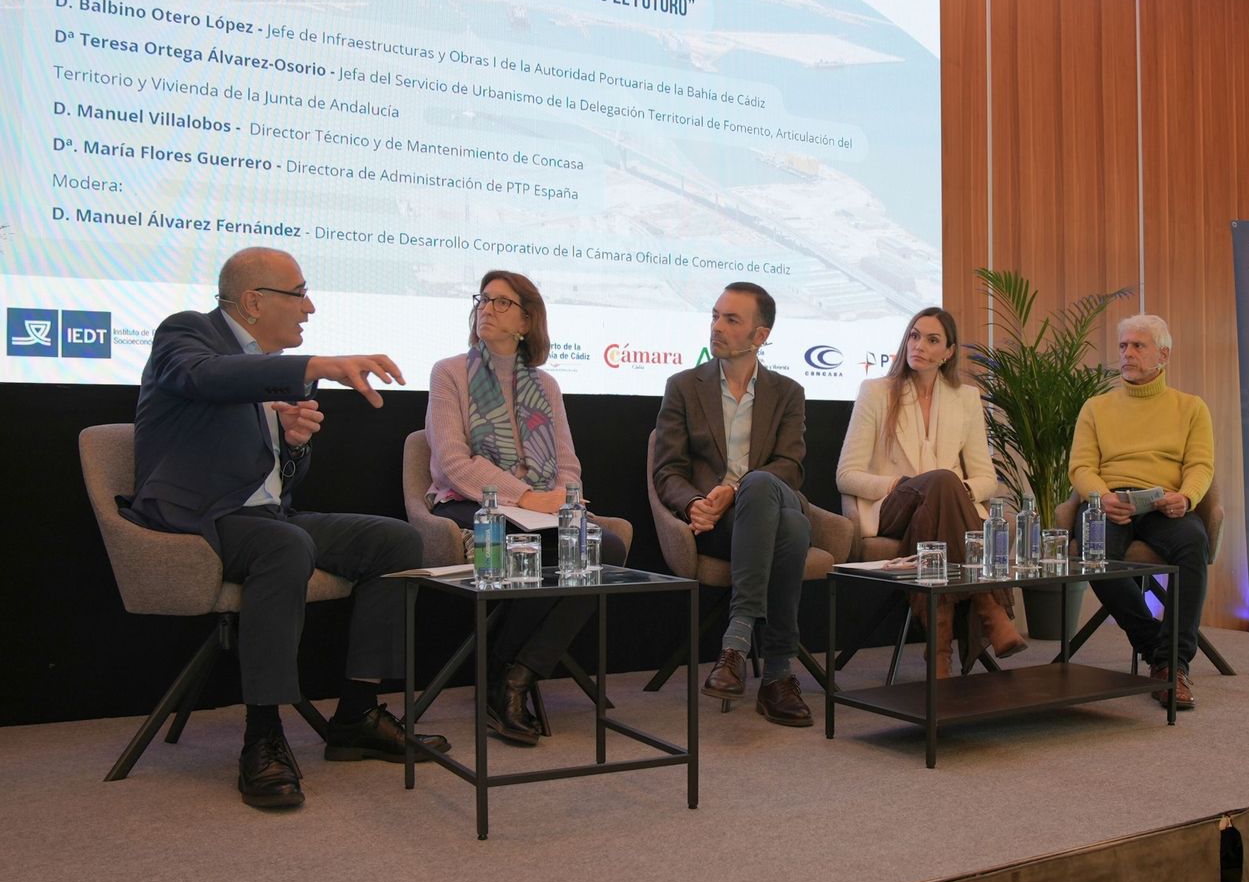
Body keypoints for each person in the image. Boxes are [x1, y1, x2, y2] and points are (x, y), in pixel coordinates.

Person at [127, 246, 448, 810]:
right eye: (299, 293)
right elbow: (204, 379)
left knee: (396, 541)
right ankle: (263, 734)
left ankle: (357, 714)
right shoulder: (188, 334)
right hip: (198, 521)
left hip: (269, 517)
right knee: (285, 543)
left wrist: (293, 445)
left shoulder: (281, 371)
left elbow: (281, 479)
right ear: (253, 301)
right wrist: (315, 366)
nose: (310, 307)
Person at [425, 270, 626, 745]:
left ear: (526, 319)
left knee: (606, 547)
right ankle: (505, 684)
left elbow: (568, 462)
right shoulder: (449, 372)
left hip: (540, 507)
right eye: (483, 300)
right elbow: (455, 462)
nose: (486, 309)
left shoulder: (546, 385)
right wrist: (528, 498)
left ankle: (514, 676)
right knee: (536, 543)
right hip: (471, 504)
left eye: (500, 303)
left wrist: (564, 498)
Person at [652, 282, 814, 727]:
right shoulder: (684, 386)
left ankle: (735, 645)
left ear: (760, 336)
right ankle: (778, 677)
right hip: (719, 525)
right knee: (795, 530)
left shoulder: (788, 392)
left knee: (762, 484)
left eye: (731, 319)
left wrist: (736, 488)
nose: (716, 327)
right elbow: (667, 470)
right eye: (715, 315)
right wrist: (695, 504)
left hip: (761, 502)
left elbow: (791, 468)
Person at [836, 308, 1027, 677]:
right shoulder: (875, 391)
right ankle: (991, 609)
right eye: (914, 336)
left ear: (949, 352)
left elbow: (987, 478)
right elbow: (846, 475)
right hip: (893, 504)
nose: (919, 345)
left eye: (932, 340)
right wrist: (899, 484)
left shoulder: (966, 398)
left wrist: (957, 488)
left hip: (937, 514)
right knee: (940, 480)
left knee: (943, 486)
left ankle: (938, 654)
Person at [1068, 314, 1214, 709]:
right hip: (1109, 500)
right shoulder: (1096, 407)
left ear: (1162, 355)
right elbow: (1081, 467)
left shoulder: (1191, 407)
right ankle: (1159, 652)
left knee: (1193, 542)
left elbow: (1201, 465)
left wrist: (1186, 496)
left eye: (1138, 346)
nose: (1127, 353)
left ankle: (1173, 663)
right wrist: (1099, 497)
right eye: (1123, 346)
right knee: (1095, 556)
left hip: (1164, 502)